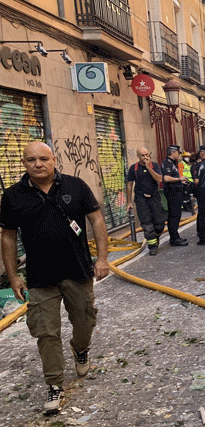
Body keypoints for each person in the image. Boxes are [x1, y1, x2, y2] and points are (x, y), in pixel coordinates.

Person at [0, 142, 110, 415]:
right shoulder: (13, 196)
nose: (38, 164)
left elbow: (96, 220)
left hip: (78, 271)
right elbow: (8, 236)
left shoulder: (76, 186)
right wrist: (13, 276)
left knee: (84, 321)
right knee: (46, 333)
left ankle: (80, 349)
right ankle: (55, 385)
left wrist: (103, 258)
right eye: (31, 160)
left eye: (43, 158)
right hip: (40, 278)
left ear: (54, 159)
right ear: (24, 163)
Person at [126, 147, 165, 255]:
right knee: (147, 223)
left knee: (160, 223)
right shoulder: (134, 168)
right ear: (138, 156)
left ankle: (155, 237)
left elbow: (159, 179)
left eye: (147, 154)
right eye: (142, 155)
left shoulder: (155, 166)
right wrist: (128, 202)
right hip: (141, 198)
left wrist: (149, 168)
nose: (145, 157)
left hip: (154, 197)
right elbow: (129, 184)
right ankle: (152, 246)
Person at [161, 145, 188, 246]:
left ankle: (176, 236)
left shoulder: (172, 163)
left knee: (176, 215)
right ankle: (174, 238)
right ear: (172, 153)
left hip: (176, 192)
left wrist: (181, 182)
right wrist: (179, 179)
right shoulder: (167, 163)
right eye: (178, 152)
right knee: (174, 215)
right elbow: (166, 178)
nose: (179, 154)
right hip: (172, 193)